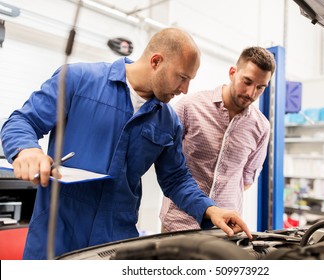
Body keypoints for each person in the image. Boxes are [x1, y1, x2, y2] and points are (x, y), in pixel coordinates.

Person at [0, 27, 252, 260]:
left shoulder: (168, 121)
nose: (185, 89)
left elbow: (176, 179)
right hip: (56, 233)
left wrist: (210, 210)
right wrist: (26, 149)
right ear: (156, 61)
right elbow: (22, 121)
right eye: (182, 77)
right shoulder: (78, 80)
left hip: (115, 240)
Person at [160, 46, 276, 232]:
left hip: (226, 229)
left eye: (260, 87)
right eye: (247, 81)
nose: (251, 93)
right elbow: (165, 161)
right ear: (232, 73)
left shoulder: (261, 127)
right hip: (179, 223)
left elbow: (246, 180)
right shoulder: (189, 107)